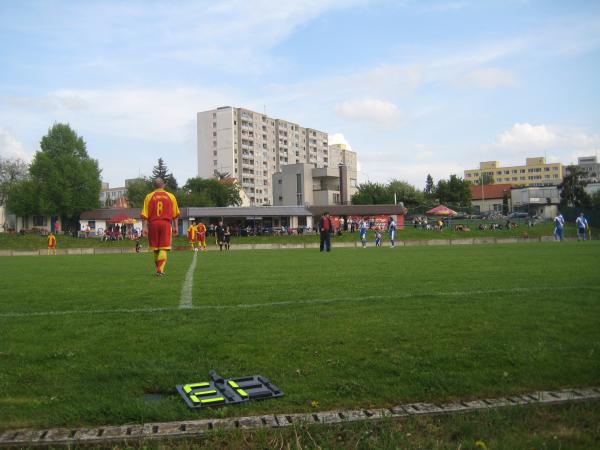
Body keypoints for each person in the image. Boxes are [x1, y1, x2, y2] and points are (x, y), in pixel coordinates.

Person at [141, 178, 180, 276]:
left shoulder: (149, 196)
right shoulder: (171, 196)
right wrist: (175, 227)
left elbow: (145, 215)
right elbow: (175, 214)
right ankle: (160, 270)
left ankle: (159, 269)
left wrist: (144, 228)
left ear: (154, 186)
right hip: (165, 224)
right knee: (164, 247)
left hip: (153, 224)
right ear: (164, 185)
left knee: (156, 249)